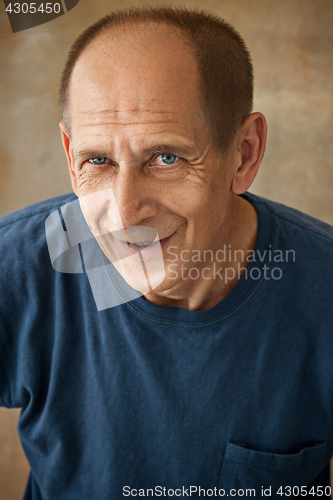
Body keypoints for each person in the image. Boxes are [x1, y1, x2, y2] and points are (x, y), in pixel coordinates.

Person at [0, 6, 333, 499]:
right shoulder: (17, 267)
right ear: (72, 160)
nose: (125, 212)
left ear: (243, 154)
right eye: (99, 160)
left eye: (165, 157)